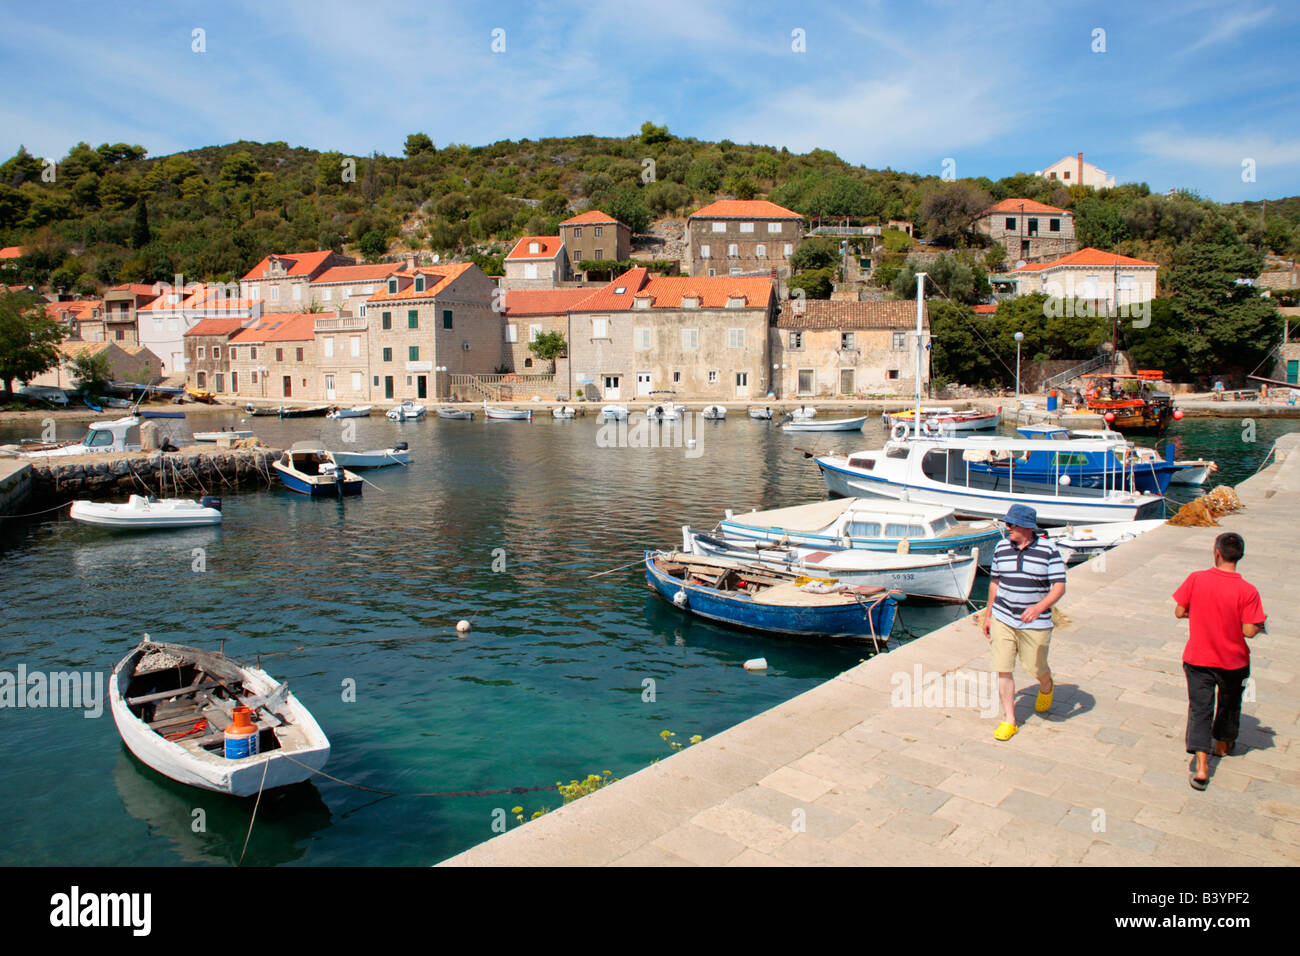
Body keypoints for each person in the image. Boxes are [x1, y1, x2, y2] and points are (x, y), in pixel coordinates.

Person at [1174, 532, 1266, 790]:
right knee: (1229, 703)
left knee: (1200, 708)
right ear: (1241, 556)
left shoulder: (1196, 579)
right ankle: (1223, 745)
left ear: (1216, 552)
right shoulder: (1248, 591)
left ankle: (1202, 767)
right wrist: (1259, 625)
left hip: (1198, 658)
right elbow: (1249, 630)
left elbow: (1179, 611)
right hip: (1233, 661)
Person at [981, 504, 1067, 740]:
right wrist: (988, 616)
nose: (1006, 528)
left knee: (1034, 666)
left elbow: (1059, 586)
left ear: (1027, 527)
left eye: (1010, 524)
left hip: (1035, 623)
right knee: (1003, 668)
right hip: (1003, 617)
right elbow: (994, 584)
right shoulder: (1000, 548)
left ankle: (1046, 683)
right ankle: (1010, 719)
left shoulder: (1049, 550)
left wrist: (1039, 608)